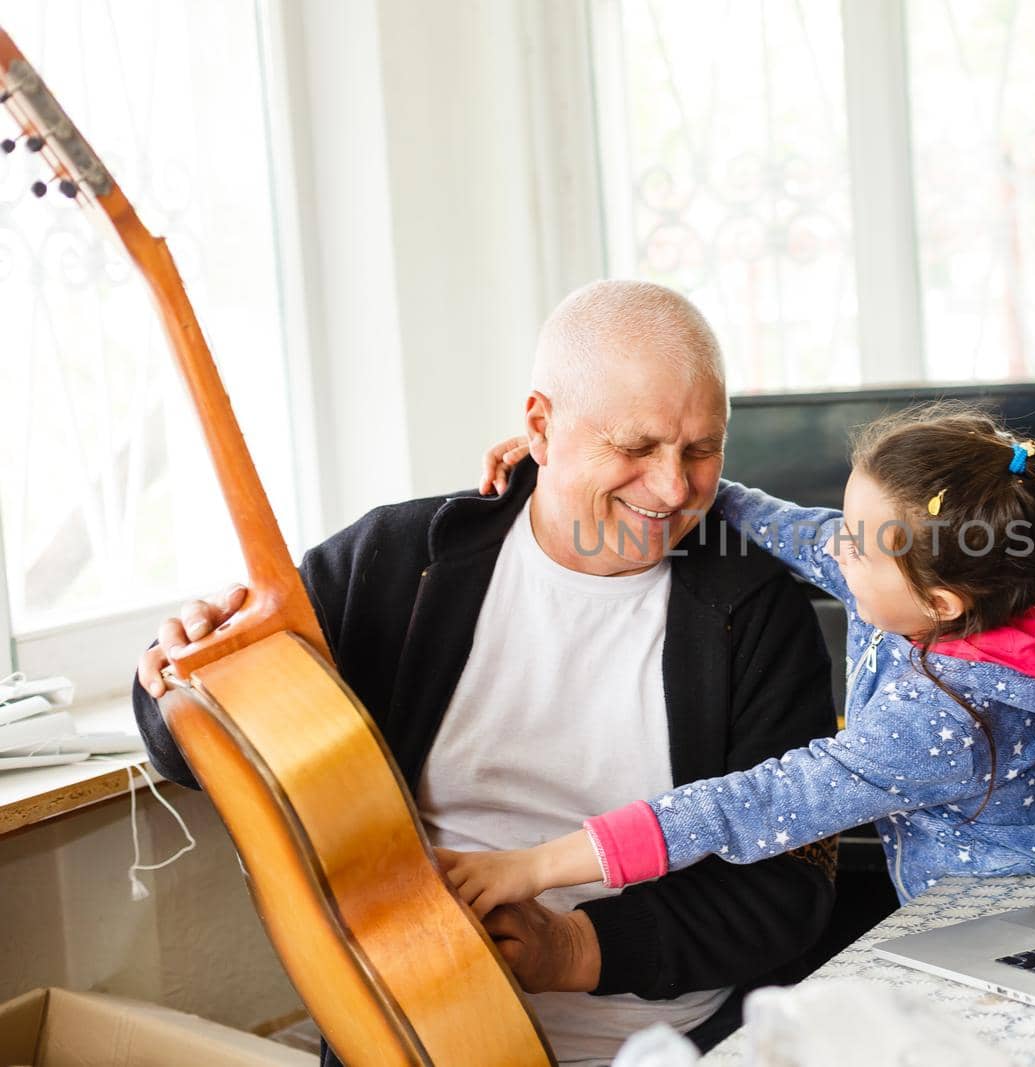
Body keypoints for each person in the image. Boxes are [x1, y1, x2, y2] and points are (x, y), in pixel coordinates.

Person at [131, 281, 838, 1067]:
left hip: (666, 1044)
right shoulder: (393, 560)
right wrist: (180, 679)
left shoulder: (760, 610)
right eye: (636, 448)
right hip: (406, 1037)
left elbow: (789, 891)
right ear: (540, 425)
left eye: (703, 449)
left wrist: (571, 946)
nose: (674, 489)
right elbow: (194, 745)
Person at [448, 404, 1035, 913]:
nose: (838, 546)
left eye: (857, 542)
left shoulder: (939, 724)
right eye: (852, 523)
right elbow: (791, 527)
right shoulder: (968, 585)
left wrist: (535, 867)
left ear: (940, 603)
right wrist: (585, 461)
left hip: (1010, 934)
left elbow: (748, 804)